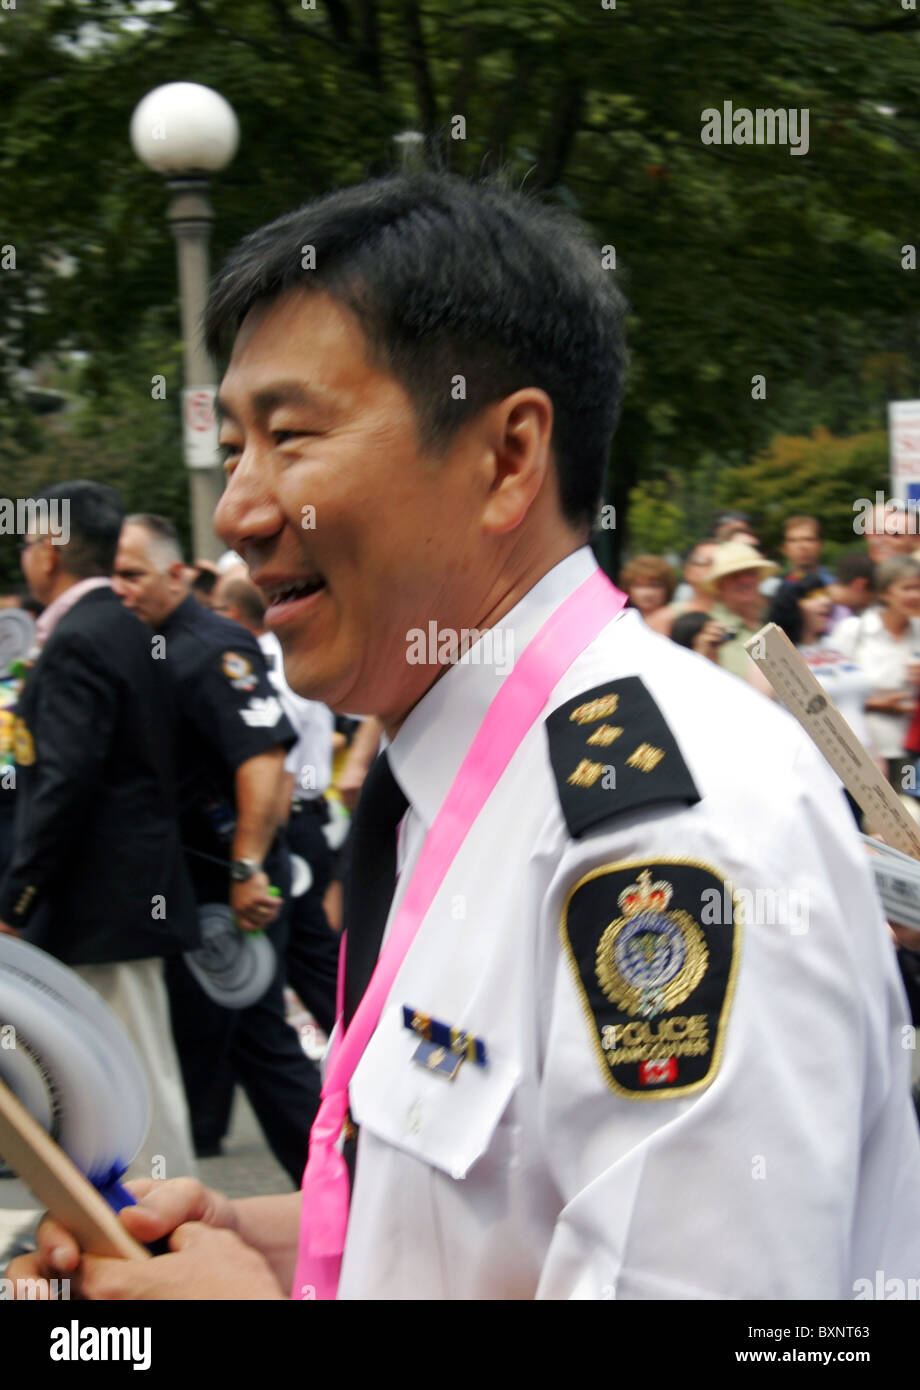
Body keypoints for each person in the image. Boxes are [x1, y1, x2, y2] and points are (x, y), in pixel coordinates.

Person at [10, 172, 920, 1301]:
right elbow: (487, 1221)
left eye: (290, 435)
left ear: (505, 457)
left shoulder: (670, 836)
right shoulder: (449, 779)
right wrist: (267, 1241)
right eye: (235, 444)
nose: (239, 513)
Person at [111, 515, 323, 1186]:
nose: (121, 588)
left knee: (260, 1045)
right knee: (224, 1047)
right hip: (192, 888)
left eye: (134, 575)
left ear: (177, 575)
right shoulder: (148, 643)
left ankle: (343, 1198)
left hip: (227, 891)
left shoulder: (208, 646)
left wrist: (246, 867)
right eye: (113, 575)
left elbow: (265, 763)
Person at [0, 481, 200, 1180]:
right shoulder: (118, 628)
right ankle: (144, 1222)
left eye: (26, 540)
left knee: (133, 1079)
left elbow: (66, 780)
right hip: (121, 894)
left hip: (103, 900)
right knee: (121, 1072)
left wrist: (17, 896)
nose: (24, 555)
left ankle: (171, 1231)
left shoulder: (82, 638)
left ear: (51, 549)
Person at [211, 567, 339, 1038]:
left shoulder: (264, 672)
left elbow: (274, 764)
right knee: (311, 957)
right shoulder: (282, 661)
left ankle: (357, 1055)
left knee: (307, 958)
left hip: (288, 825)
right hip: (303, 819)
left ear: (230, 613)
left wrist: (263, 848)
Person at [834, 555, 920, 788]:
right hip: (863, 749)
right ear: (884, 593)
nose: (915, 595)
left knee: (911, 818)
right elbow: (829, 692)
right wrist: (877, 704)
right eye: (908, 588)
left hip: (912, 751)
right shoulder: (853, 631)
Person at [702, 539, 779, 680]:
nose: (745, 580)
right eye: (735, 575)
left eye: (751, 573)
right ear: (719, 584)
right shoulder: (707, 628)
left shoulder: (777, 619)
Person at [646, 540, 718, 637]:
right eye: (706, 562)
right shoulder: (665, 618)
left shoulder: (740, 614)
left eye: (720, 563)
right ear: (688, 570)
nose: (715, 569)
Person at [617, 554, 676, 625]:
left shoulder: (677, 621)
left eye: (655, 586)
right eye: (639, 585)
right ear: (628, 588)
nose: (647, 593)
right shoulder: (619, 622)